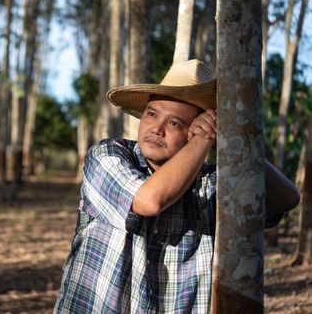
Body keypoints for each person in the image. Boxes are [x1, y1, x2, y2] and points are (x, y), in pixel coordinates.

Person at [53, 59, 300, 313]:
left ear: (193, 132)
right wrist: (204, 137)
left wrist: (227, 137)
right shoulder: (107, 156)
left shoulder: (208, 185)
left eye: (174, 123)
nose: (156, 129)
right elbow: (150, 200)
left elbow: (287, 199)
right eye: (151, 114)